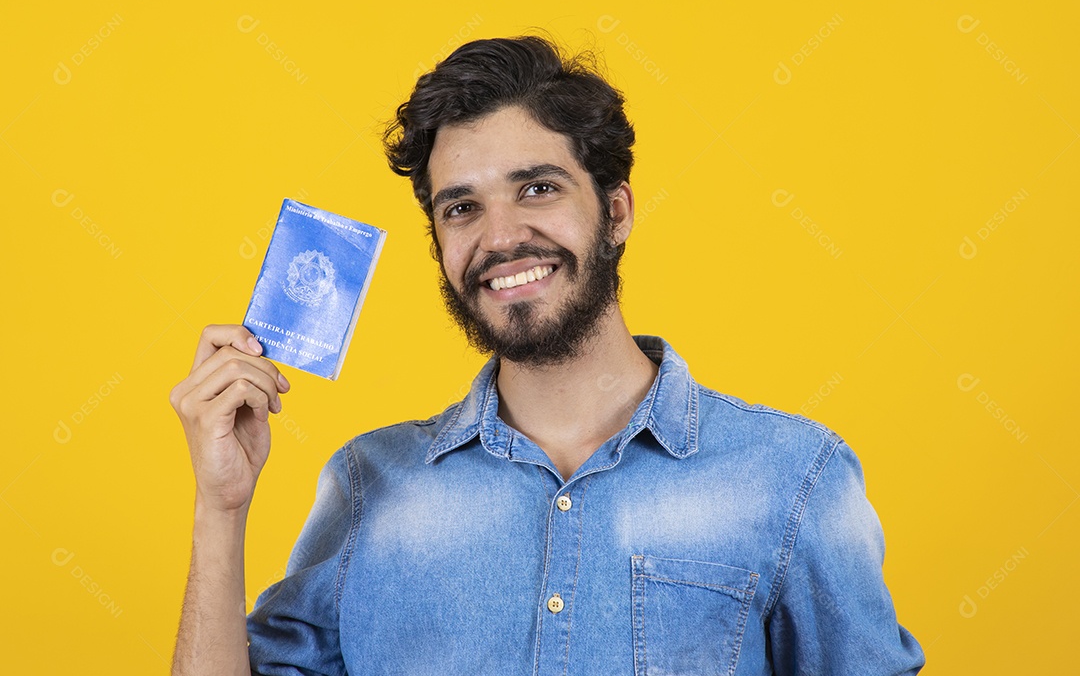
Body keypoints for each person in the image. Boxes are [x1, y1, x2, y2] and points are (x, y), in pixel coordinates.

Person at [169, 35, 925, 675]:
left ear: (616, 212)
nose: (498, 237)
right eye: (461, 207)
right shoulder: (368, 488)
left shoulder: (795, 478)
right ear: (439, 244)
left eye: (536, 188)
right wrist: (220, 507)